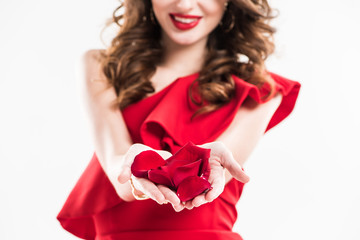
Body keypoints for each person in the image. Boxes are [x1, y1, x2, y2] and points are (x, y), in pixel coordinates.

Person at [57, 0, 301, 239]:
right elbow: (119, 176)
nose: (185, 5)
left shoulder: (261, 90)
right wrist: (139, 163)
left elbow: (212, 181)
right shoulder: (103, 67)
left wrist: (198, 166)